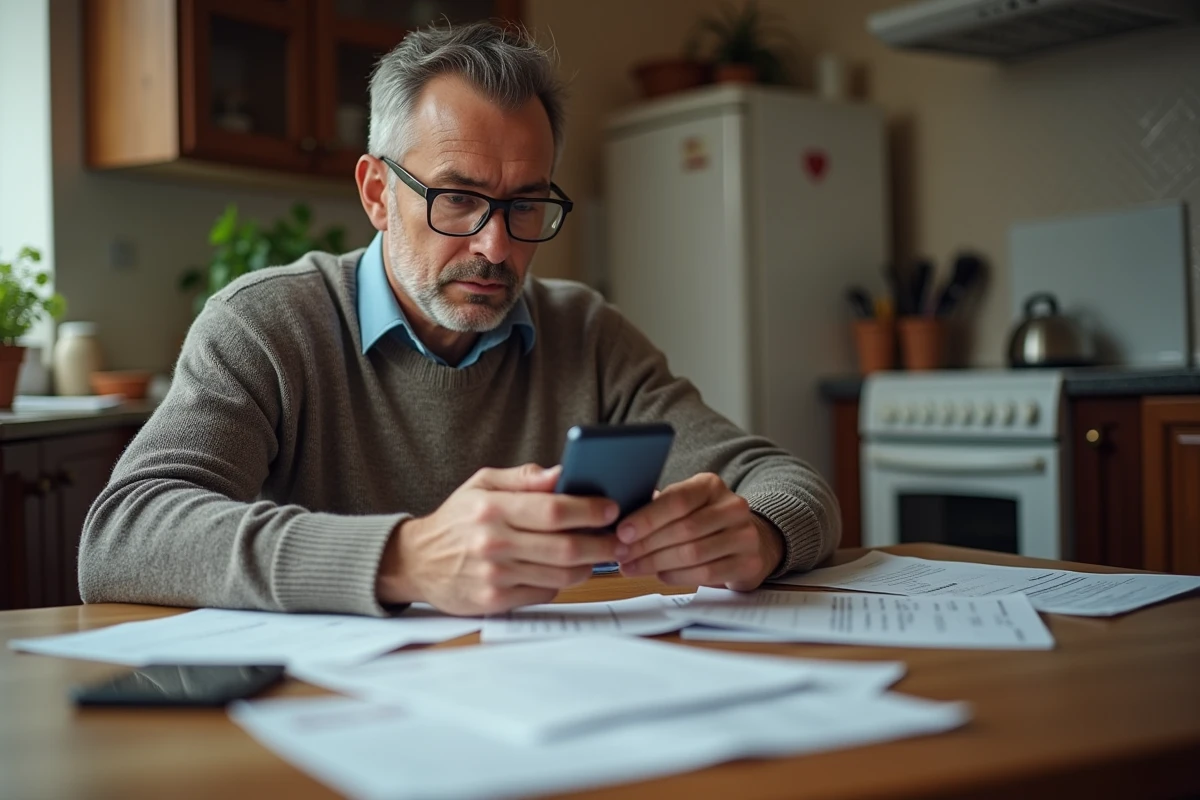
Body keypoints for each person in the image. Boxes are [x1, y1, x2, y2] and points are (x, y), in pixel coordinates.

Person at [79, 22, 839, 617]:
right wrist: (407, 557)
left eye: (526, 204)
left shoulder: (586, 332)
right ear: (377, 193)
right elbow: (123, 536)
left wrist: (759, 534)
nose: (496, 244)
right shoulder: (268, 326)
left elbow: (787, 482)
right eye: (459, 198)